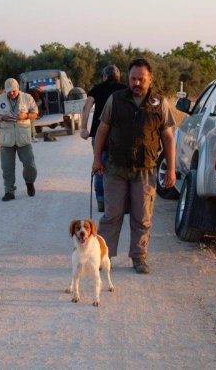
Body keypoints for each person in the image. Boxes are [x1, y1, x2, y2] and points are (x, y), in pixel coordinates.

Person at [92, 58, 176, 274]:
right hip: (116, 168)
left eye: (141, 79)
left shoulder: (160, 103)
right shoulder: (116, 99)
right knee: (112, 216)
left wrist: (171, 169)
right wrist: (97, 159)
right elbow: (102, 129)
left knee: (142, 217)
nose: (137, 83)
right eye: (133, 79)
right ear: (128, 78)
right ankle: (104, 257)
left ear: (150, 79)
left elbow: (167, 138)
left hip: (145, 170)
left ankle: (139, 258)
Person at [80, 65, 127, 212]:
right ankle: (120, 202)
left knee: (99, 166)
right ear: (118, 76)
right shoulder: (125, 89)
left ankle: (101, 201)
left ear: (104, 76)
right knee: (121, 168)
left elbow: (86, 107)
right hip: (120, 136)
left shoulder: (97, 88)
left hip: (99, 134)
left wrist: (83, 128)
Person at [0, 78, 39, 201]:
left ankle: (29, 182)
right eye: (9, 91)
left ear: (18, 88)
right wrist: (1, 117)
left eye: (13, 91)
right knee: (7, 167)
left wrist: (26, 115)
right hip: (7, 139)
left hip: (23, 137)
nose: (11, 93)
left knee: (29, 165)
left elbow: (35, 113)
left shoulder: (27, 98)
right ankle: (9, 191)